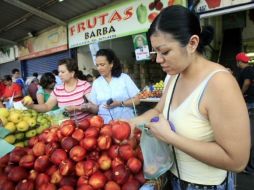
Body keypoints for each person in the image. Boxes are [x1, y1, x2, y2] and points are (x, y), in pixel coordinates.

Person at [129, 5, 250, 190]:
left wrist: (171, 138)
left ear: (192, 43)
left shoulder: (219, 84)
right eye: (156, 52)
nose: (158, 60)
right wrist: (132, 123)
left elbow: (237, 161)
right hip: (173, 179)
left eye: (165, 52)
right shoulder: (174, 76)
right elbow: (157, 109)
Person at [23, 58, 98, 122]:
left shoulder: (84, 85)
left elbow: (95, 108)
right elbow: (47, 106)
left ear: (72, 73)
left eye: (62, 72)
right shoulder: (58, 89)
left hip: (86, 127)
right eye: (59, 72)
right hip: (67, 128)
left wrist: (77, 108)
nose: (59, 74)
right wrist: (32, 106)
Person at [90, 49, 140, 124]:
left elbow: (137, 100)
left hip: (126, 122)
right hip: (105, 124)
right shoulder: (96, 83)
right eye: (97, 65)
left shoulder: (124, 78)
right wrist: (85, 107)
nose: (99, 68)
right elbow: (95, 106)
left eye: (102, 65)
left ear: (111, 64)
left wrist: (120, 103)